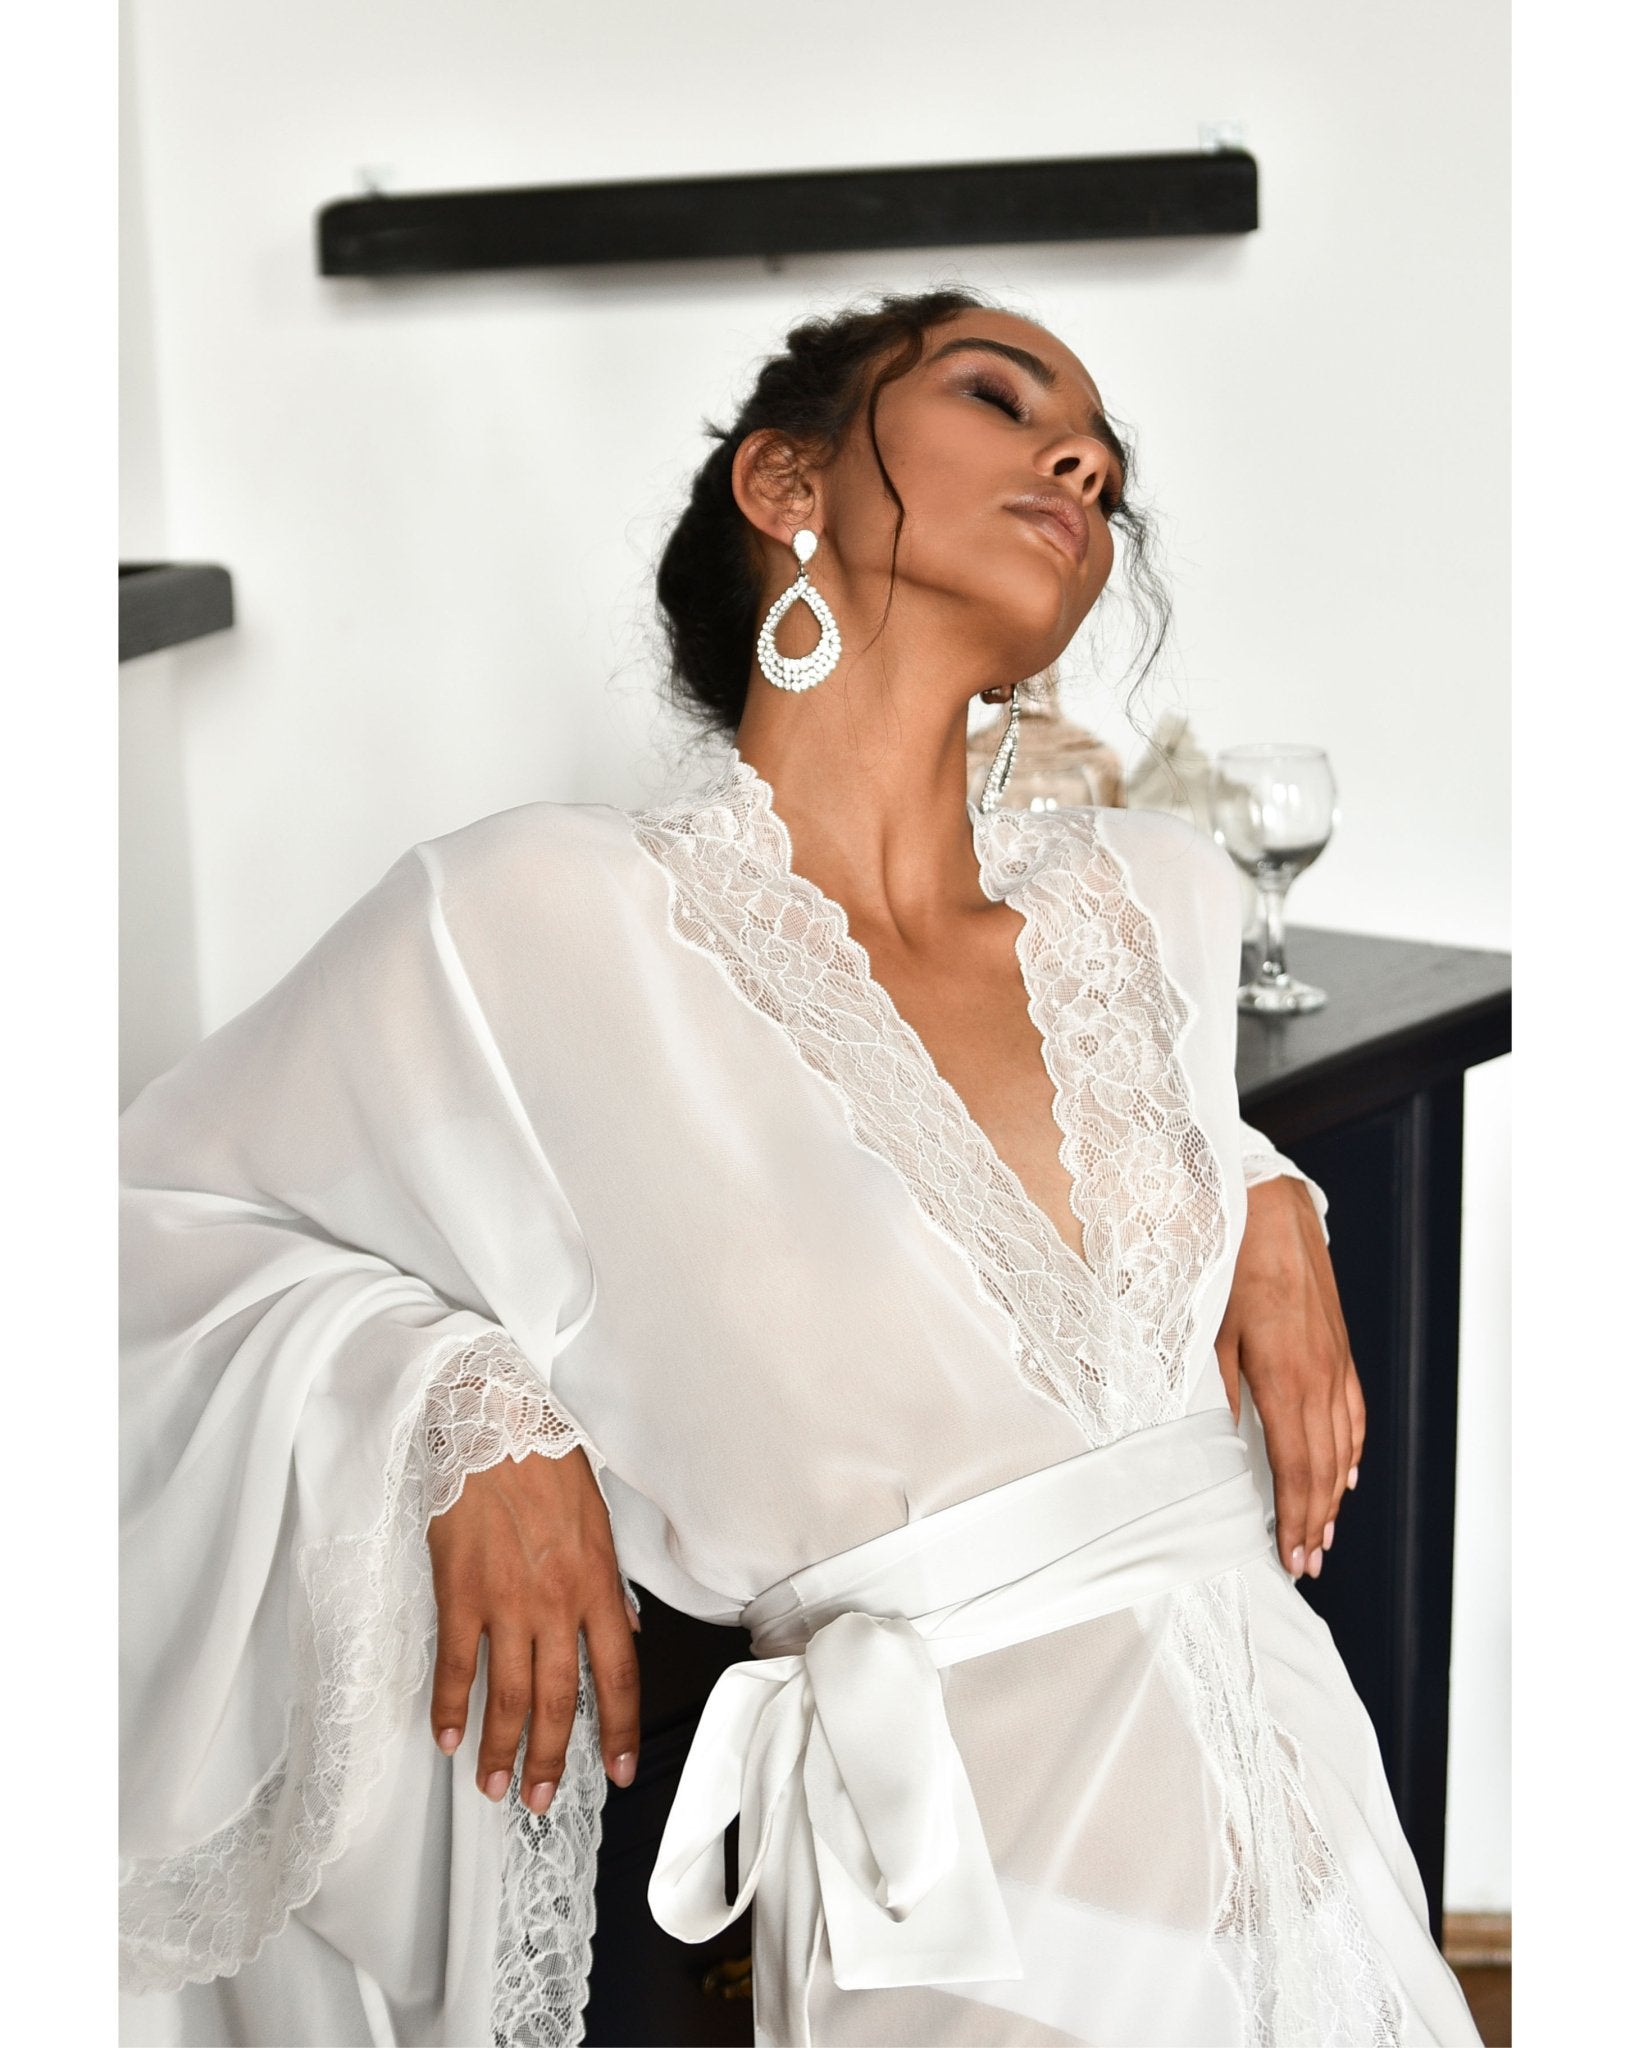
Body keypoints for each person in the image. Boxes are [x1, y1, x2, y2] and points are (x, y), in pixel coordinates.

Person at [119, 288, 1481, 2047]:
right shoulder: (533, 924)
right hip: (978, 1916)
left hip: (1313, 1845)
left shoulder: (1154, 904)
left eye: (1107, 466)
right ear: (787, 483)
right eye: (1001, 397)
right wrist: (448, 1401)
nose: (1082, 456)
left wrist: (1258, 1180)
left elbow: (1064, 1242)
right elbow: (140, 1233)